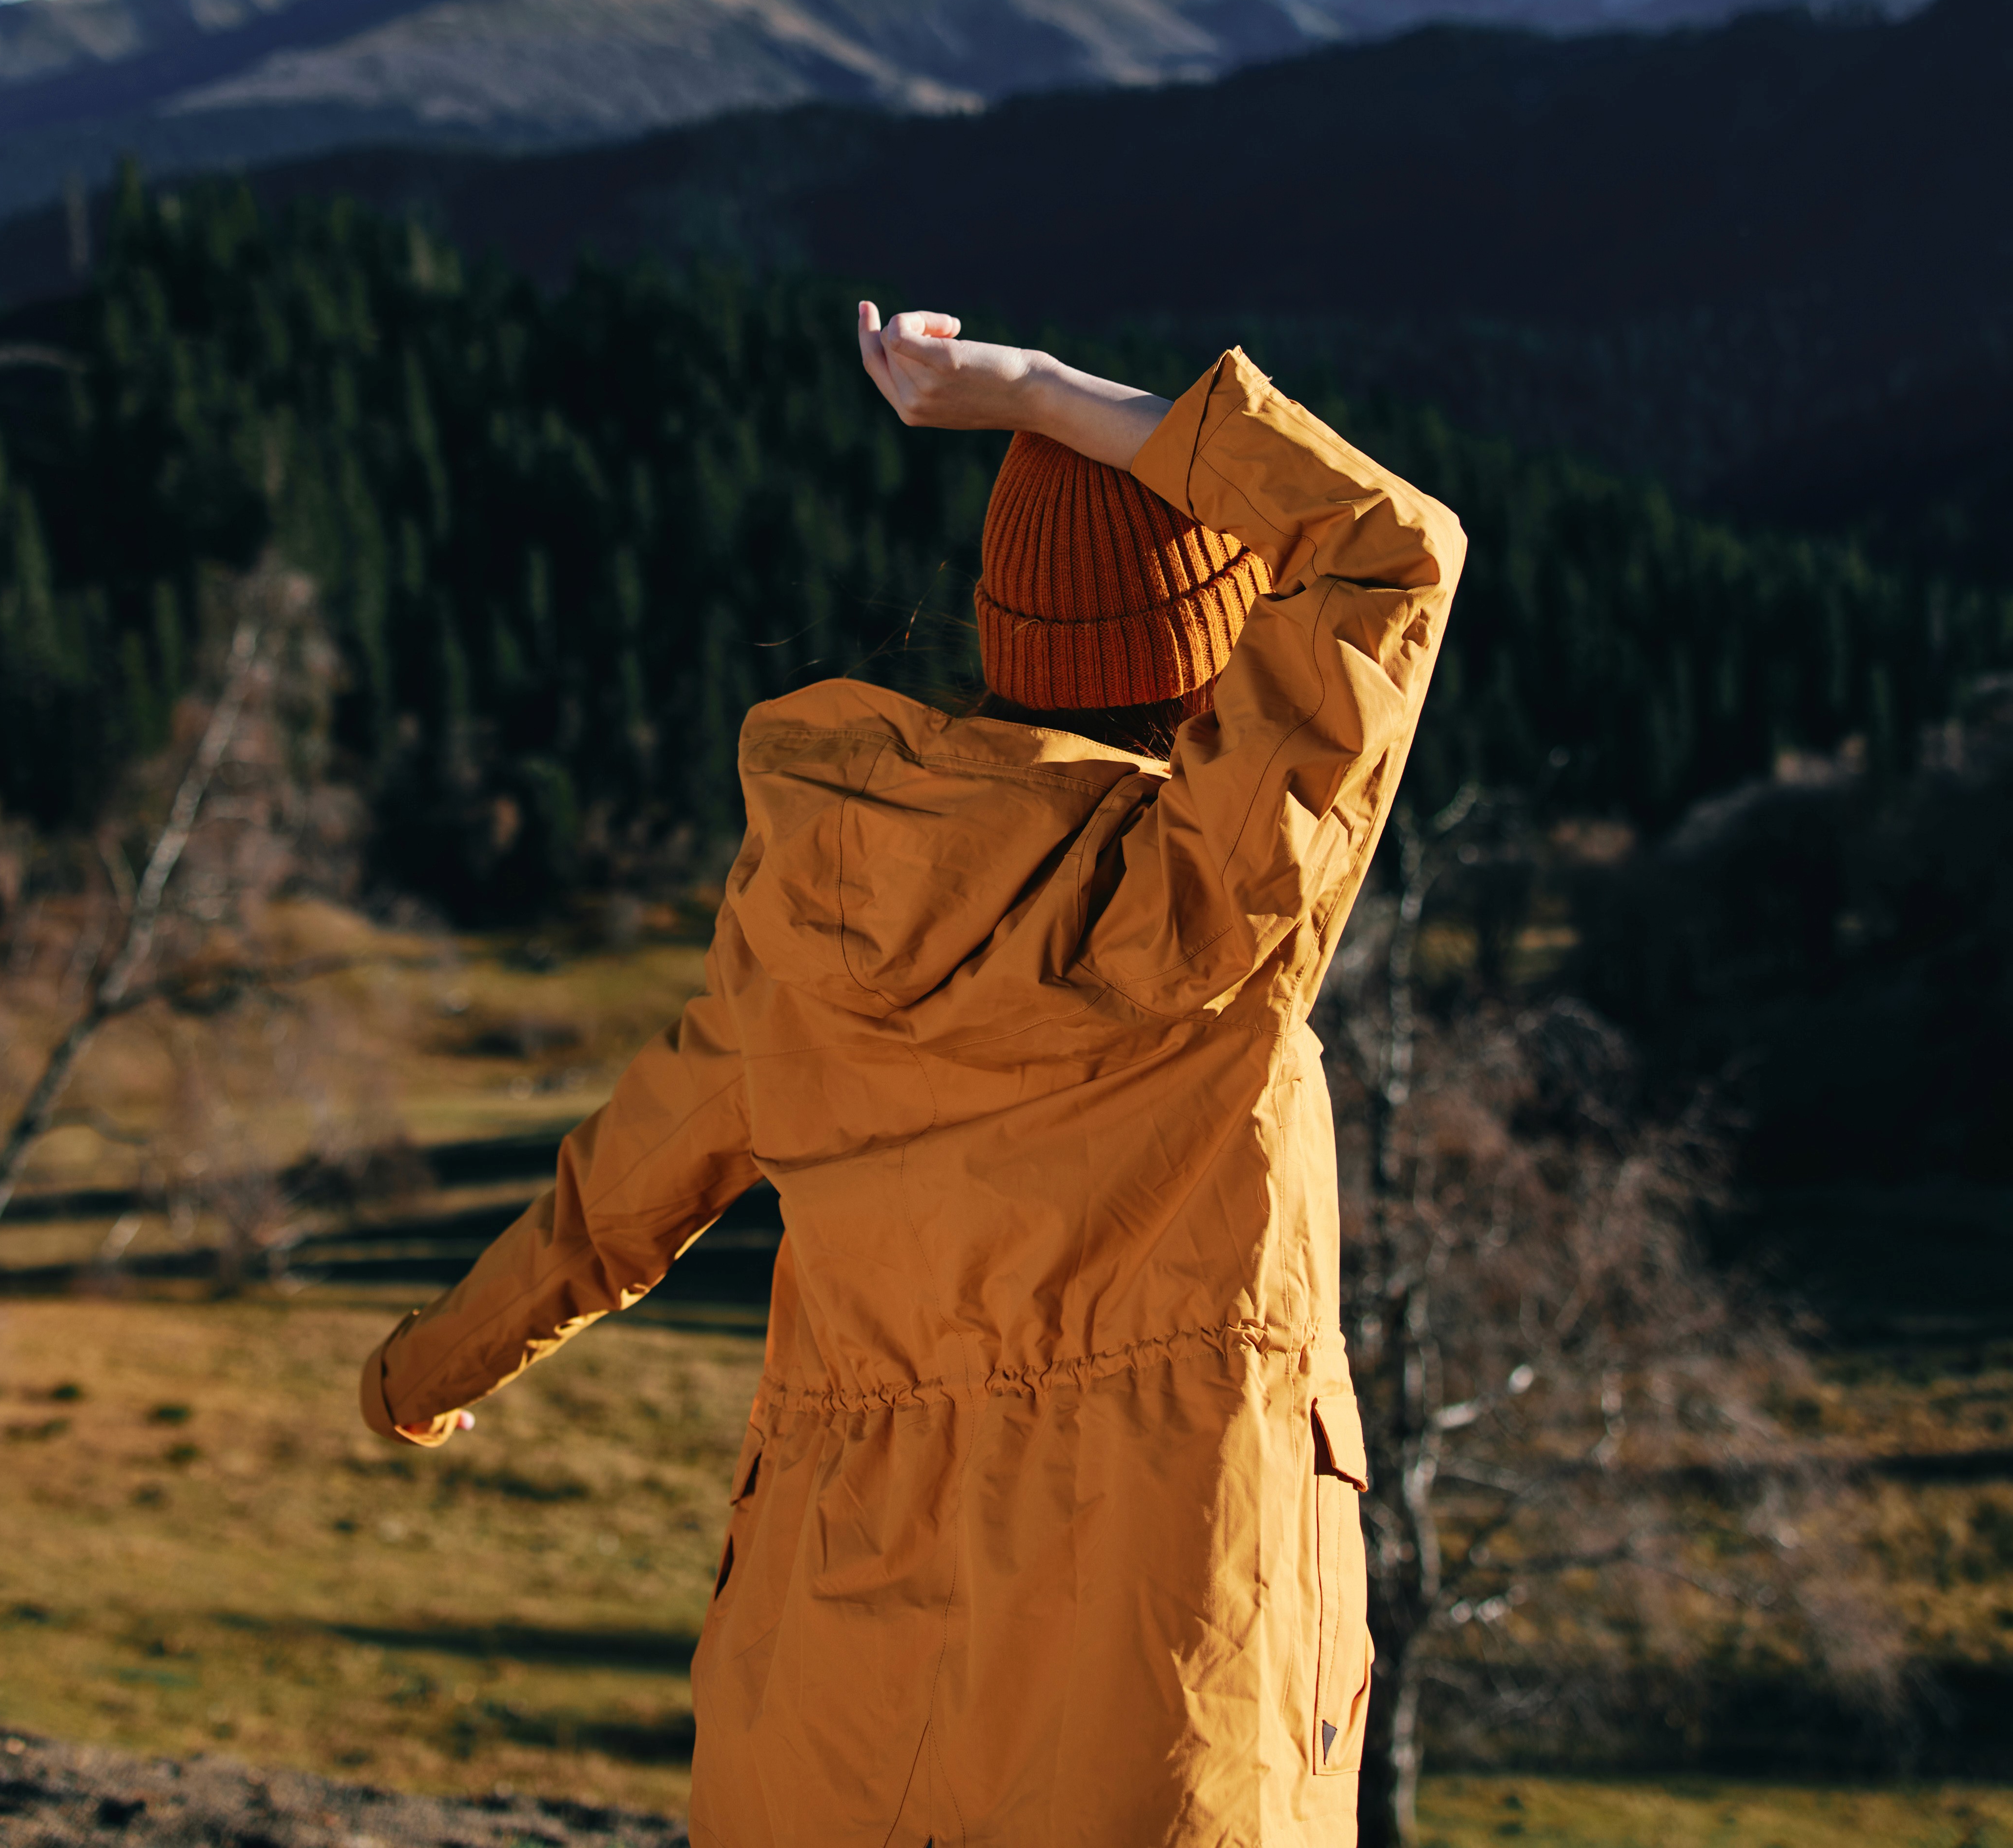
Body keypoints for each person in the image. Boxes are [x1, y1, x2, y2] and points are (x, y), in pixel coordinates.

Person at [360, 306, 1467, 1845]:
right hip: (1162, 1614)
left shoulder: (817, 903)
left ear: (1006, 630)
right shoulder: (1221, 901)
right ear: (1212, 656)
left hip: (842, 1624)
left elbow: (615, 1196)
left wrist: (425, 1374)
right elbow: (1389, 550)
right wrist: (1040, 394)